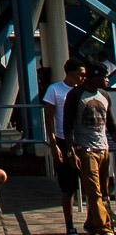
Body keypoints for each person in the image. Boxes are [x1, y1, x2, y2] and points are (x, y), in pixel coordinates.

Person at [69, 65, 116, 235]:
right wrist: (71, 152)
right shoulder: (75, 96)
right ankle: (105, 227)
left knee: (103, 192)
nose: (107, 80)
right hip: (85, 149)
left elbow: (111, 125)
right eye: (104, 77)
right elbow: (67, 126)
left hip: (103, 148)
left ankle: (92, 223)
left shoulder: (104, 95)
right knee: (94, 191)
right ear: (94, 77)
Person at [44, 58, 88, 234]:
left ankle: (92, 220)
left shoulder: (84, 91)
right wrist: (53, 143)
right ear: (70, 73)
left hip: (83, 141)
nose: (83, 78)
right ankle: (69, 225)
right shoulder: (55, 90)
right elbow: (49, 116)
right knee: (68, 187)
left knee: (89, 185)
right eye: (80, 74)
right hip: (63, 139)